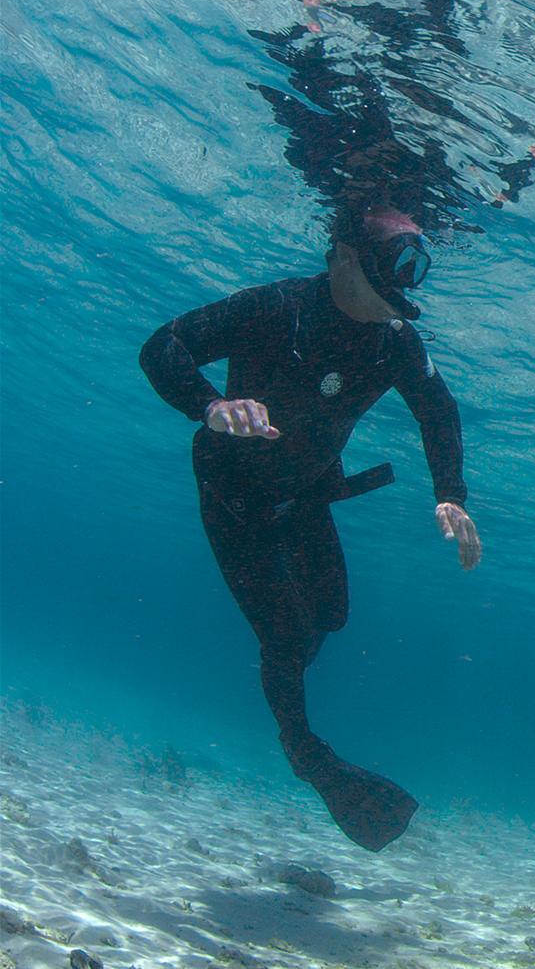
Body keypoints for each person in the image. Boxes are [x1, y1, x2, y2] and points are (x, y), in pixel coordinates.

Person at [139, 205, 480, 850]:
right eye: (393, 265)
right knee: (287, 635)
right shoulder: (275, 308)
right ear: (344, 256)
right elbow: (163, 346)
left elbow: (438, 411)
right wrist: (210, 406)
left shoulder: (396, 341)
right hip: (234, 493)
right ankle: (304, 749)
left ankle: (288, 665)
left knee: (331, 617)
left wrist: (450, 496)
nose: (403, 287)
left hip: (306, 494)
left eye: (413, 270)